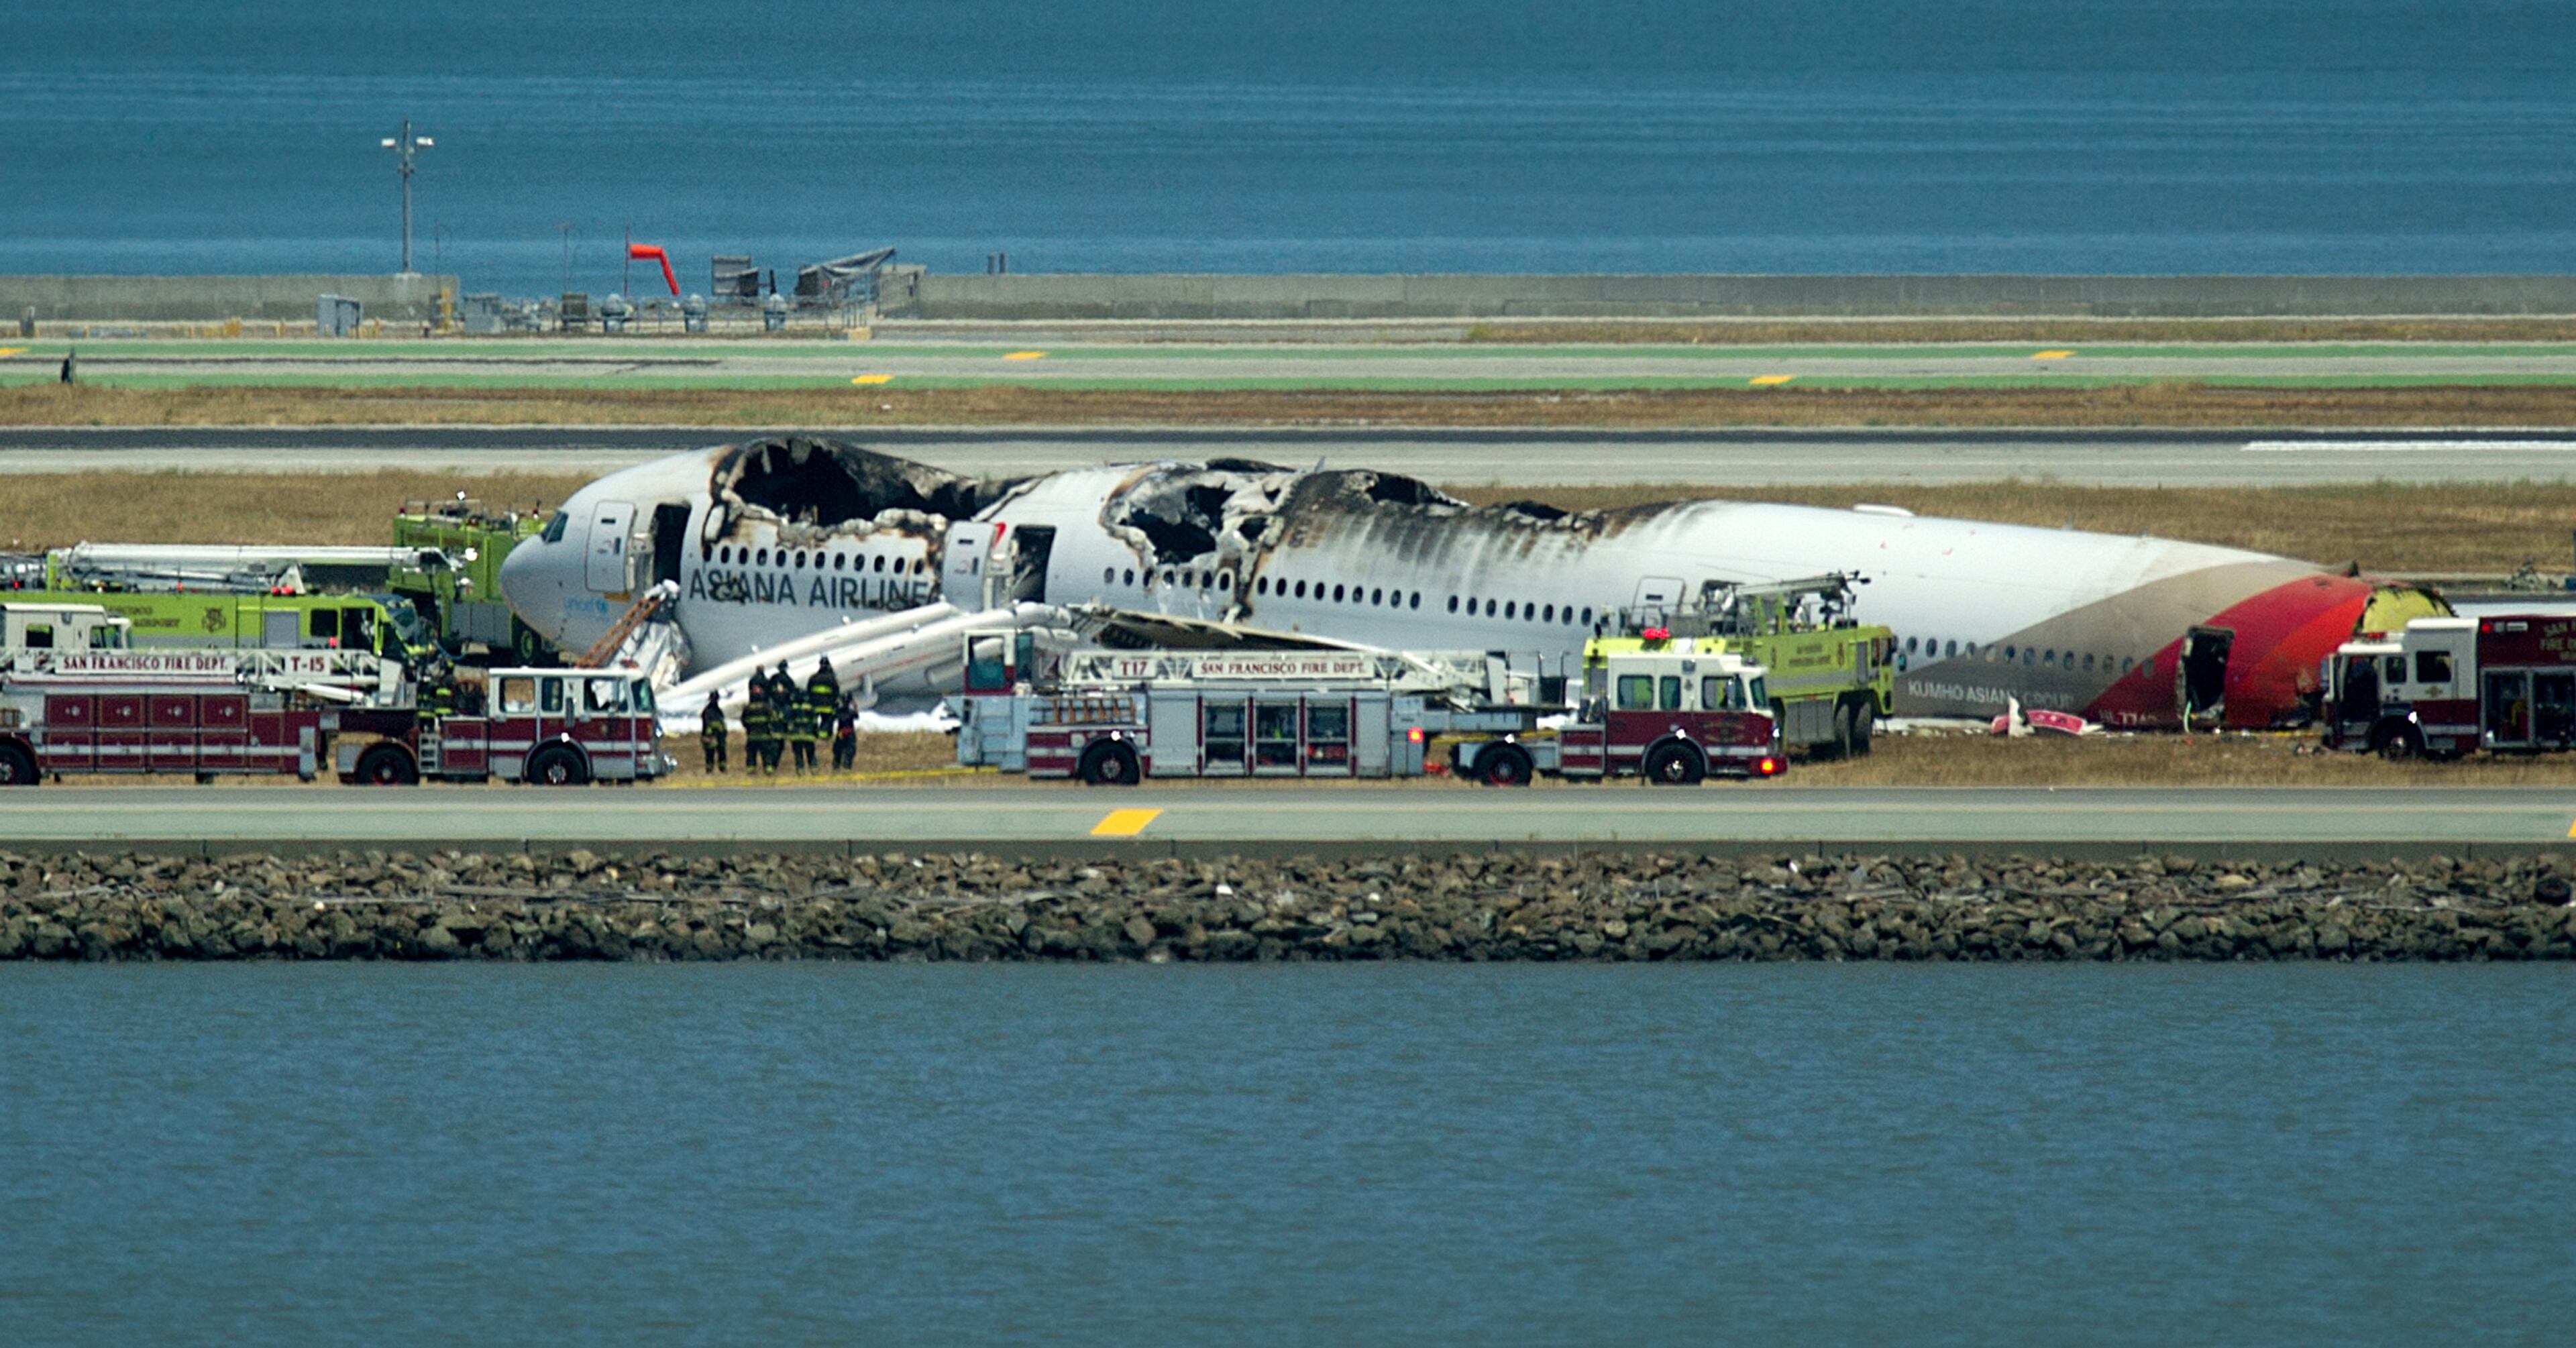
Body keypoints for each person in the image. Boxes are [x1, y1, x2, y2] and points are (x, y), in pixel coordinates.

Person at [698, 691, 729, 773]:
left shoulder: (719, 711)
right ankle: (709, 769)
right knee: (710, 754)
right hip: (710, 736)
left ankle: (723, 768)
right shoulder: (707, 711)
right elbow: (707, 724)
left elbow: (722, 722)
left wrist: (724, 731)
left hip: (720, 736)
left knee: (722, 752)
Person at [831, 695, 859, 772]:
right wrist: (855, 706)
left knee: (838, 751)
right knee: (849, 751)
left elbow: (833, 717)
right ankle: (846, 768)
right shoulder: (851, 712)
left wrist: (834, 705)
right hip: (849, 733)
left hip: (841, 734)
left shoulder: (839, 711)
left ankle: (837, 768)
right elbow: (856, 716)